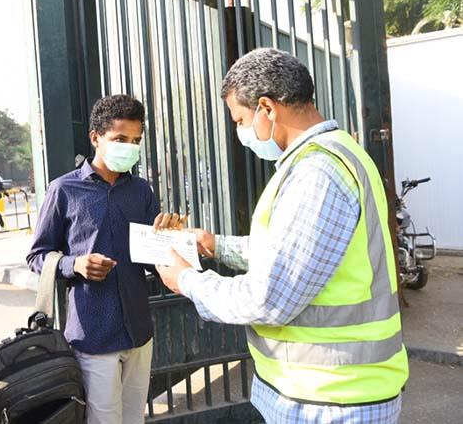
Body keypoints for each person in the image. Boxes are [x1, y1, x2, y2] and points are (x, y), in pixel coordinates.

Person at [155, 48, 408, 424]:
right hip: (329, 390)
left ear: (267, 109)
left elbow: (269, 298)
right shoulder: (338, 154)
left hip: (328, 398)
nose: (242, 132)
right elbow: (292, 254)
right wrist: (216, 245)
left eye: (240, 120)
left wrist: (187, 280)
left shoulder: (316, 174)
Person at [27, 95, 159, 424]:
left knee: (134, 419)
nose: (129, 147)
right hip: (93, 333)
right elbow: (36, 256)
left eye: (135, 141)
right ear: (95, 137)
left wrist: (172, 240)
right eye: (120, 139)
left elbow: (152, 259)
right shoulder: (63, 190)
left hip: (139, 330)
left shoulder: (141, 190)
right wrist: (75, 265)